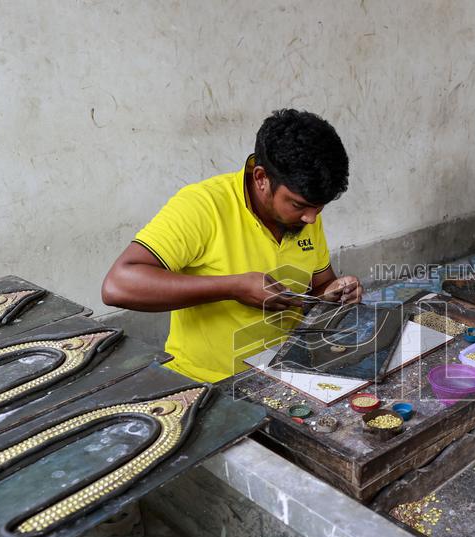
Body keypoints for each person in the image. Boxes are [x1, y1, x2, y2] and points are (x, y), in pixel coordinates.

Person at [101, 109, 362, 382]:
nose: (311, 218)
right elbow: (118, 285)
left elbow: (318, 287)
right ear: (261, 178)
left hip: (285, 376)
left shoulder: (305, 215)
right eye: (298, 205)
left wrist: (332, 293)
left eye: (318, 208)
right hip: (207, 384)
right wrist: (234, 287)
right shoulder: (203, 206)